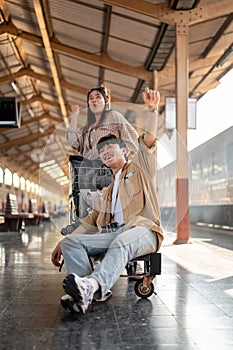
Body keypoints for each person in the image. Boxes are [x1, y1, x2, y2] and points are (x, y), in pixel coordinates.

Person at [52, 87, 163, 314]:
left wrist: (152, 110)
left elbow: (148, 140)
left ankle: (92, 285)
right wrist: (61, 242)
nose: (105, 152)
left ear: (125, 150)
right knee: (72, 242)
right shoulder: (108, 189)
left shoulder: (139, 168)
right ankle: (86, 291)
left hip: (142, 230)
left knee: (122, 242)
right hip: (115, 233)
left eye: (110, 147)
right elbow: (89, 222)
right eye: (101, 151)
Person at [62, 85, 139, 229]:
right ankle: (85, 225)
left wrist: (119, 160)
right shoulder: (89, 126)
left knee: (98, 194)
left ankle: (96, 224)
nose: (94, 101)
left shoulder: (114, 116)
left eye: (98, 97)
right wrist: (75, 116)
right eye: (90, 99)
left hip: (107, 171)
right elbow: (73, 142)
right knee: (83, 193)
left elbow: (134, 140)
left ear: (106, 100)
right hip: (88, 173)